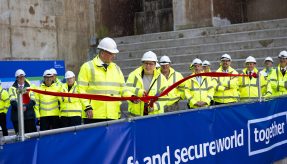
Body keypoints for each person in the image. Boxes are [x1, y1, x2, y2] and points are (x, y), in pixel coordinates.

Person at [78, 37, 126, 124]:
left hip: (113, 114)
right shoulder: (87, 67)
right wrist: (87, 107)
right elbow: (81, 89)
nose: (114, 56)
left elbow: (123, 89)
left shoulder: (116, 68)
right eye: (112, 53)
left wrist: (132, 97)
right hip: (93, 115)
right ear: (103, 53)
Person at [125, 51, 169, 116]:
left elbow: (165, 96)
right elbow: (125, 90)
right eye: (146, 63)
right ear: (143, 63)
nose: (148, 66)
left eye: (151, 64)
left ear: (155, 64)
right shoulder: (133, 75)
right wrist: (132, 98)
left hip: (155, 117)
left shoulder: (161, 78)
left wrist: (155, 106)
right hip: (136, 116)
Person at [9, 69, 37, 133]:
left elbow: (33, 100)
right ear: (16, 78)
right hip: (17, 117)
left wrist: (26, 107)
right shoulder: (12, 88)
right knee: (19, 137)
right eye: (19, 77)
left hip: (29, 116)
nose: (21, 79)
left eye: (23, 77)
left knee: (32, 136)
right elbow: (12, 101)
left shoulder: (30, 87)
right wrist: (21, 107)